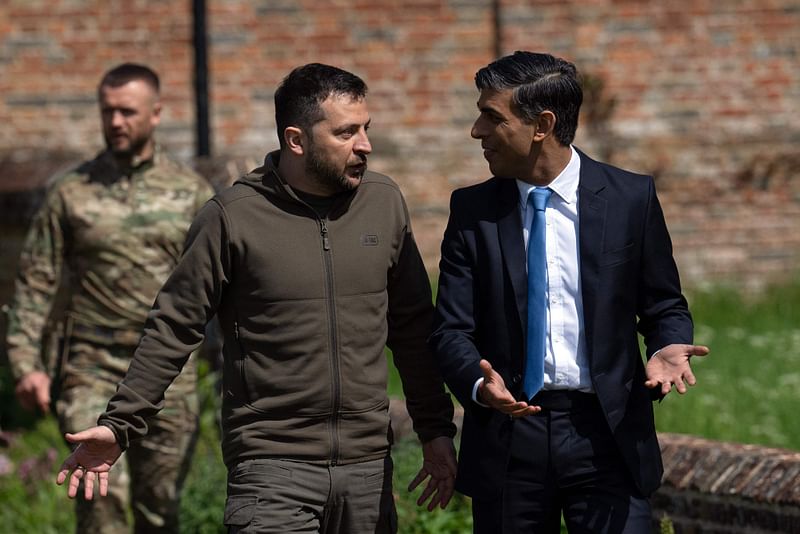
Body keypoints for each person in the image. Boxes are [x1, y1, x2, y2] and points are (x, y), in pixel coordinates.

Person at [55, 63, 458, 533]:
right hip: (270, 471)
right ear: (296, 140)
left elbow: (412, 327)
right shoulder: (232, 217)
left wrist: (435, 431)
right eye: (346, 132)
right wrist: (121, 423)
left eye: (366, 129)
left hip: (367, 469)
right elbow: (173, 325)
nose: (364, 145)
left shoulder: (384, 202)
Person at [429, 51, 710, 533]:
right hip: (509, 438)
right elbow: (451, 330)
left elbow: (663, 304)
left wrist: (665, 345)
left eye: (491, 117)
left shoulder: (629, 198)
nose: (477, 131)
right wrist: (479, 385)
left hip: (608, 436)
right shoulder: (471, 210)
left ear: (542, 125)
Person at [5, 63, 214, 533]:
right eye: (107, 111)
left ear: (156, 113)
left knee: (159, 510)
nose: (115, 121)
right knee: (100, 503)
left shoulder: (191, 194)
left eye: (127, 111)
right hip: (92, 367)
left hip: (168, 375)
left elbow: (216, 285)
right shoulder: (70, 193)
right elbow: (36, 281)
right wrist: (26, 364)